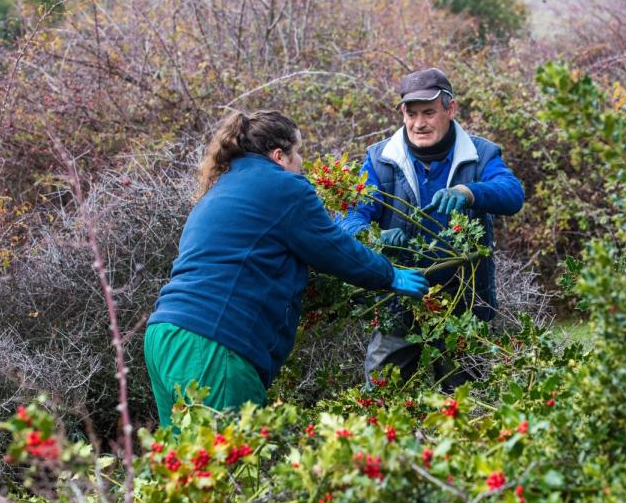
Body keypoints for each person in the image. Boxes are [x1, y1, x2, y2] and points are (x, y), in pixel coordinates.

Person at [145, 110, 429, 427]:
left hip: (165, 336)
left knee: (182, 466)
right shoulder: (284, 186)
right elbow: (335, 248)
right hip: (213, 344)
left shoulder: (220, 189)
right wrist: (389, 275)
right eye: (299, 152)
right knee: (227, 468)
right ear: (279, 155)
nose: (302, 163)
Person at [339, 68, 524, 388]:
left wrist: (470, 193)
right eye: (411, 114)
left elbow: (513, 194)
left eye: (429, 113)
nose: (419, 123)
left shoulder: (480, 154)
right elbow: (349, 220)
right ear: (402, 113)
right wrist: (375, 237)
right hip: (399, 302)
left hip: (465, 305)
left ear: (450, 110)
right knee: (382, 399)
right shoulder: (380, 159)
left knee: (466, 405)